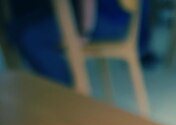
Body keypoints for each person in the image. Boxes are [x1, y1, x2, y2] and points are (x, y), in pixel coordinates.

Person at [8, 0, 151, 86]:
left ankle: (66, 96)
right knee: (24, 29)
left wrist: (84, 31)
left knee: (31, 37)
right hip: (115, 17)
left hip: (109, 21)